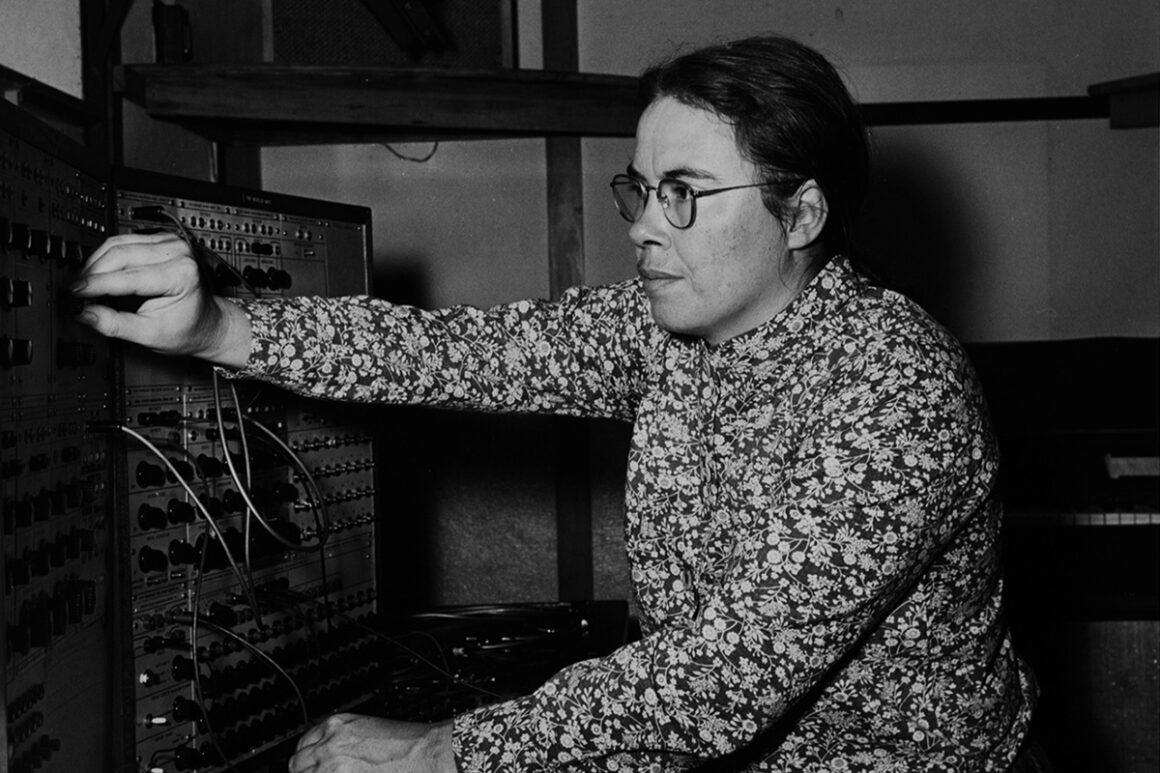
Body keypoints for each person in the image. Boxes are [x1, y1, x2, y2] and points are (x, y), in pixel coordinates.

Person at [74, 34, 1041, 773]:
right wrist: (219, 330)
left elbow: (718, 680)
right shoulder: (668, 326)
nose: (646, 228)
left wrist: (440, 753)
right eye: (640, 189)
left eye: (686, 193)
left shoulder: (898, 392)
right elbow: (452, 354)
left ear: (804, 213)